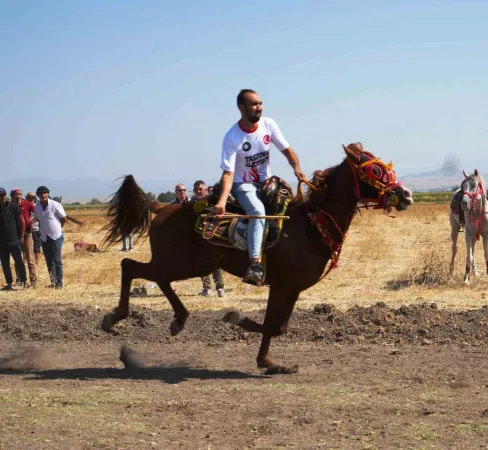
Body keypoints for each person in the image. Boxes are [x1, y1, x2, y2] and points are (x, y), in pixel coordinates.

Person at [212, 89, 307, 285]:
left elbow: (287, 150)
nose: (259, 108)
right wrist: (221, 202)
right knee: (258, 211)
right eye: (254, 104)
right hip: (243, 186)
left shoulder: (268, 124)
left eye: (260, 104)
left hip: (266, 183)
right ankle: (255, 264)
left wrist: (297, 168)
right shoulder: (232, 137)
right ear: (241, 107)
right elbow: (228, 173)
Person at [192, 180, 226, 297]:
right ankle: (207, 288)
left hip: (212, 235)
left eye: (201, 189)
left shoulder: (211, 201)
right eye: (196, 190)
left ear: (205, 189)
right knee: (202, 263)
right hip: (198, 235)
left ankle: (220, 288)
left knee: (215, 263)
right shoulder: (193, 203)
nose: (199, 191)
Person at [34, 186, 67, 289]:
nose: (43, 195)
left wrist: (58, 228)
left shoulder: (55, 204)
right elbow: (39, 219)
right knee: (49, 261)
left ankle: (60, 282)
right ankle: (53, 281)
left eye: (45, 193)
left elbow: (63, 218)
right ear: (38, 195)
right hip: (44, 237)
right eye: (40, 193)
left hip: (56, 236)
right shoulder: (37, 207)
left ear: (48, 194)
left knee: (57, 260)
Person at [0, 187, 28, 290]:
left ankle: (24, 282)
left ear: (6, 195)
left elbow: (22, 221)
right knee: (5, 263)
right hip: (2, 242)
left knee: (19, 262)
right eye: (0, 195)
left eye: (3, 195)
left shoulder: (13, 206)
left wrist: (21, 236)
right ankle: (9, 284)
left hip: (14, 240)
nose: (1, 197)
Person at [10, 188, 37, 287]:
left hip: (27, 234)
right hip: (14, 235)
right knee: (17, 259)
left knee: (30, 258)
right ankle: (19, 279)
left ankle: (33, 280)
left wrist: (32, 222)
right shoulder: (9, 205)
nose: (18, 196)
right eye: (16, 194)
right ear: (12, 196)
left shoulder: (27, 204)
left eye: (20, 194)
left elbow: (38, 213)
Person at [25, 192, 42, 268]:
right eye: (29, 197)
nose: (31, 199)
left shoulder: (37, 207)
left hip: (36, 229)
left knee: (36, 246)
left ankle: (37, 262)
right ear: (27, 198)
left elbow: (40, 217)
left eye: (32, 197)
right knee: (26, 247)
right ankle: (25, 261)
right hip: (26, 230)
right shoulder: (24, 206)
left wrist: (32, 222)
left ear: (35, 198)